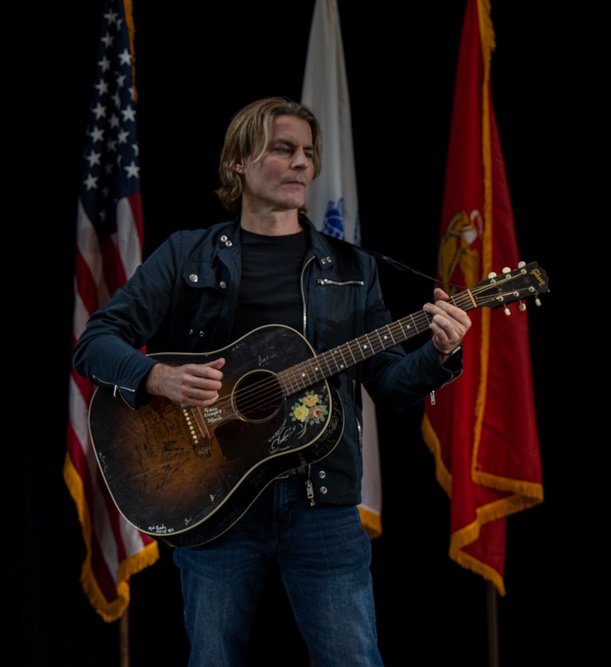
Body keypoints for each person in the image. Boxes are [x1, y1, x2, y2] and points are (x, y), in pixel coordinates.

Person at [72, 96, 471, 666]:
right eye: (284, 149)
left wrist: (439, 353)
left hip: (322, 500)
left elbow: (386, 384)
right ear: (239, 161)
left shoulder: (352, 267)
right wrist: (158, 377)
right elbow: (95, 343)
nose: (302, 164)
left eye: (308, 153)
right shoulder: (188, 253)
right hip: (211, 499)